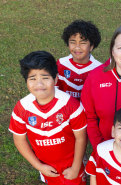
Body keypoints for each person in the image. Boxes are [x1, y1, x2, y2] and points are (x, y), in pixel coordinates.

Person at [9, 51, 87, 184]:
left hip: (71, 165)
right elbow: (19, 140)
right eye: (32, 78)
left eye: (45, 78)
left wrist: (75, 167)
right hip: (45, 166)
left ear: (56, 79)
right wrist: (39, 166)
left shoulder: (71, 105)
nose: (39, 84)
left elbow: (81, 138)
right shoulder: (22, 108)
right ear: (26, 81)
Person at [56, 20, 102, 100]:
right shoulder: (61, 64)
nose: (77, 47)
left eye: (83, 43)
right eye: (73, 42)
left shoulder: (99, 69)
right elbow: (54, 91)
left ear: (91, 46)